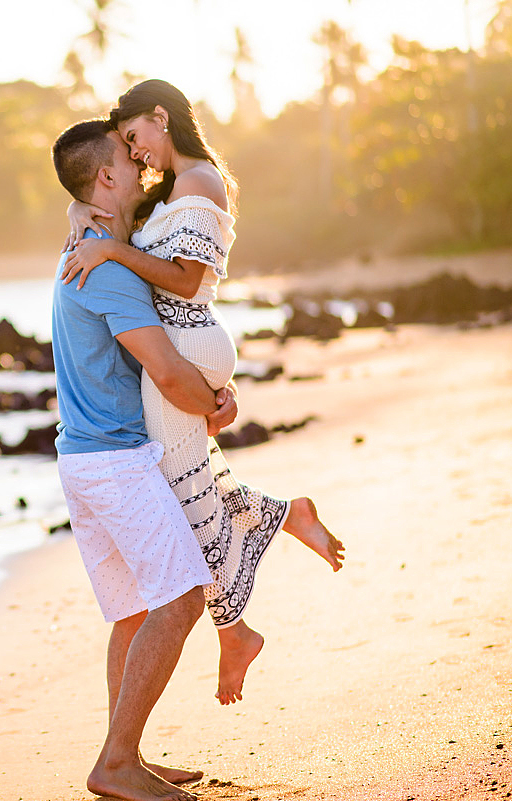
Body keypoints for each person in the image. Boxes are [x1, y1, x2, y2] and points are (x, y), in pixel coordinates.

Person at [61, 79, 345, 706]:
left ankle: (235, 627)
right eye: (125, 147)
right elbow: (106, 203)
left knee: (185, 495)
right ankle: (278, 531)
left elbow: (188, 282)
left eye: (135, 137)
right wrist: (80, 216)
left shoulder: (199, 182)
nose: (135, 153)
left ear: (161, 117)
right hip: (186, 352)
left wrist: (111, 251)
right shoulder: (166, 190)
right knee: (192, 486)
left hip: (186, 345)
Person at [50, 118, 236, 801]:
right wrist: (216, 403)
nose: (140, 161)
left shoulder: (94, 244)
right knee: (181, 599)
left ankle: (122, 754)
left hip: (84, 457)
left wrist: (80, 213)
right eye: (128, 158)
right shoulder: (105, 265)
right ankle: (118, 763)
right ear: (106, 178)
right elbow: (165, 370)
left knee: (134, 611)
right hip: (116, 462)